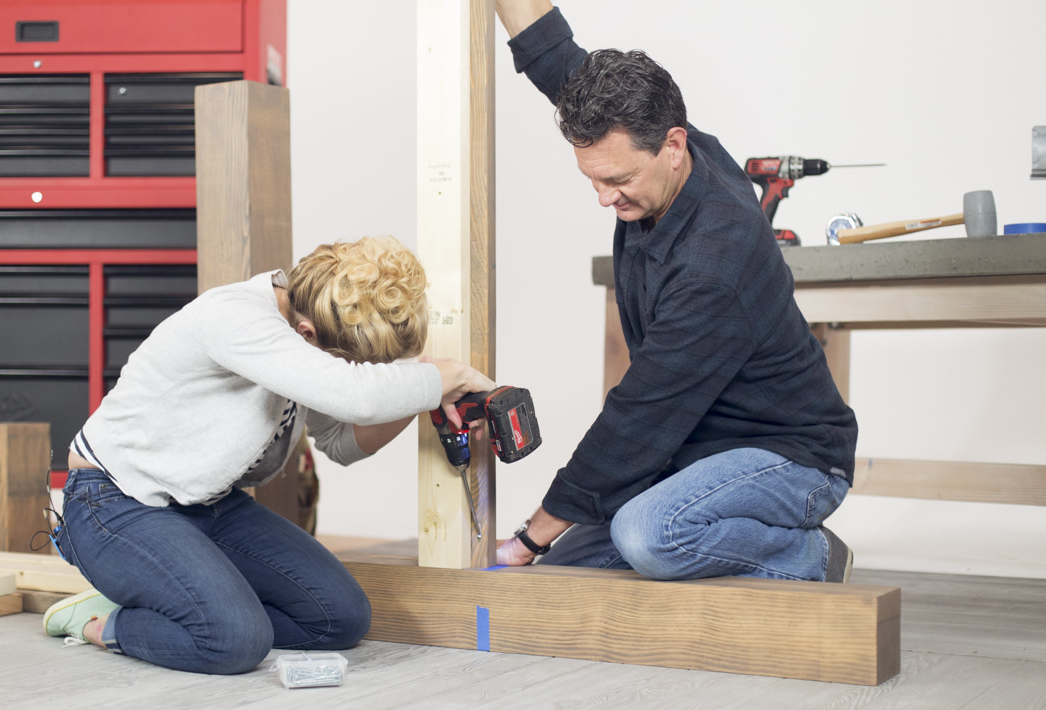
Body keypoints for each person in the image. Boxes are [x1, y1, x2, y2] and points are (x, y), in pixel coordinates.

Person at [493, 1, 859, 583]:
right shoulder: (654, 135)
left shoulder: (717, 259)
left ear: (673, 146)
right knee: (577, 562)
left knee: (647, 536)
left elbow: (641, 414)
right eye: (592, 179)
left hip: (792, 457)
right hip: (694, 451)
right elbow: (557, 60)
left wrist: (528, 537)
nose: (604, 199)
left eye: (618, 180)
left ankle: (809, 555)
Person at [43, 235, 496, 674]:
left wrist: (426, 396)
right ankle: (103, 622)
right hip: (113, 502)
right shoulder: (236, 317)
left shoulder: (298, 332)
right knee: (234, 641)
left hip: (203, 505)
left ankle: (185, 600)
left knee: (340, 618)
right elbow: (355, 396)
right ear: (307, 333)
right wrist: (444, 377)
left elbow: (341, 443)